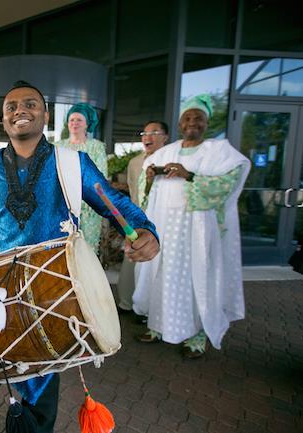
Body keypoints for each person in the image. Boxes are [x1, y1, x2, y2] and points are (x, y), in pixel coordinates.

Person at [0, 81, 159, 433]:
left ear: (46, 116)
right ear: (3, 120)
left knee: (39, 387)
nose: (20, 110)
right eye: (11, 106)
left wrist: (144, 229)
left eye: (30, 104)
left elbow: (114, 204)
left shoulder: (73, 164)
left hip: (49, 294)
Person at [133, 94, 250, 359]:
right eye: (187, 117)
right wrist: (150, 178)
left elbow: (227, 185)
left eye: (198, 117)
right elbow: (144, 190)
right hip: (165, 228)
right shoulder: (166, 152)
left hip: (196, 231)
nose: (192, 122)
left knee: (197, 278)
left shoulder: (219, 152)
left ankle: (197, 335)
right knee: (160, 275)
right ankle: (158, 326)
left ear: (207, 122)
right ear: (179, 123)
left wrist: (189, 175)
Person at [116, 120, 169, 312]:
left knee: (156, 266)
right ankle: (127, 303)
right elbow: (132, 192)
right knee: (131, 260)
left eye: (154, 132)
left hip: (163, 221)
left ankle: (151, 310)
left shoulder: (169, 161)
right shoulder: (135, 162)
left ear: (165, 137)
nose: (148, 137)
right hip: (138, 221)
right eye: (144, 133)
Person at [54, 103, 108, 254]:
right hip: (62, 204)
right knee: (62, 249)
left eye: (79, 120)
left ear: (87, 124)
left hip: (89, 207)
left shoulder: (96, 147)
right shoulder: (57, 146)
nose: (74, 123)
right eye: (71, 120)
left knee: (87, 250)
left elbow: (100, 176)